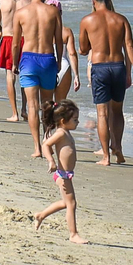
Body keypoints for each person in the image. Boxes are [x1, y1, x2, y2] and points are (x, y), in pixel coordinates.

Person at [79, 0, 133, 167]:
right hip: (118, 67)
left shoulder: (87, 20)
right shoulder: (121, 20)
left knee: (102, 114)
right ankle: (118, 148)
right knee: (117, 111)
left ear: (93, 1)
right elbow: (129, 46)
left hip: (100, 67)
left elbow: (83, 49)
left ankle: (106, 156)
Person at [13, 0, 64, 158]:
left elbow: (15, 43)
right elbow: (59, 39)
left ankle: (36, 147)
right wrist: (58, 61)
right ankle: (46, 140)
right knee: (47, 105)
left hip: (28, 59)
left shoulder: (21, 12)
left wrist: (13, 63)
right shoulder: (53, 11)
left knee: (32, 106)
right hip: (48, 58)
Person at [33, 99, 87, 245]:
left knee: (66, 203)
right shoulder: (61, 133)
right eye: (75, 119)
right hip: (63, 175)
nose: (78, 122)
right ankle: (73, 234)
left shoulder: (66, 132)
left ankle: (41, 215)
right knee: (72, 204)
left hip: (66, 174)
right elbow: (45, 145)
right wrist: (51, 161)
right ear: (63, 121)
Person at [0, 0, 28, 122]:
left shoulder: (3, 2)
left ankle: (14, 113)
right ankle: (24, 109)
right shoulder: (28, 3)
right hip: (25, 40)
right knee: (25, 75)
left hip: (8, 39)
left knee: (10, 75)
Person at [52, 2, 81, 103]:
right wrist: (76, 75)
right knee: (60, 103)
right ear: (61, 12)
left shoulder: (42, 30)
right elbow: (72, 53)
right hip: (64, 66)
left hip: (46, 64)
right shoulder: (66, 31)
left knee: (45, 102)